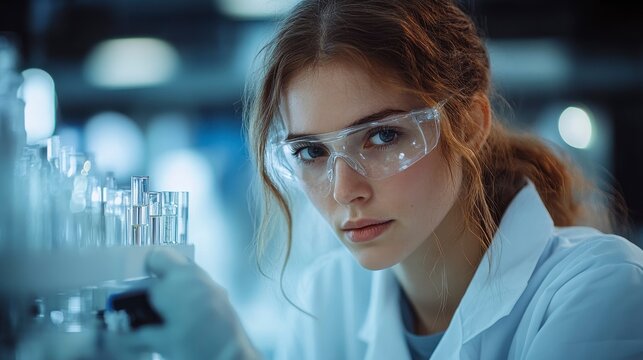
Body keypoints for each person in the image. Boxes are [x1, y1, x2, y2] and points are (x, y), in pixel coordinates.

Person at [126, 0, 643, 359]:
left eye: (381, 137)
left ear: (471, 123)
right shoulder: (330, 296)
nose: (343, 188)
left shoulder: (599, 288)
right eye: (310, 151)